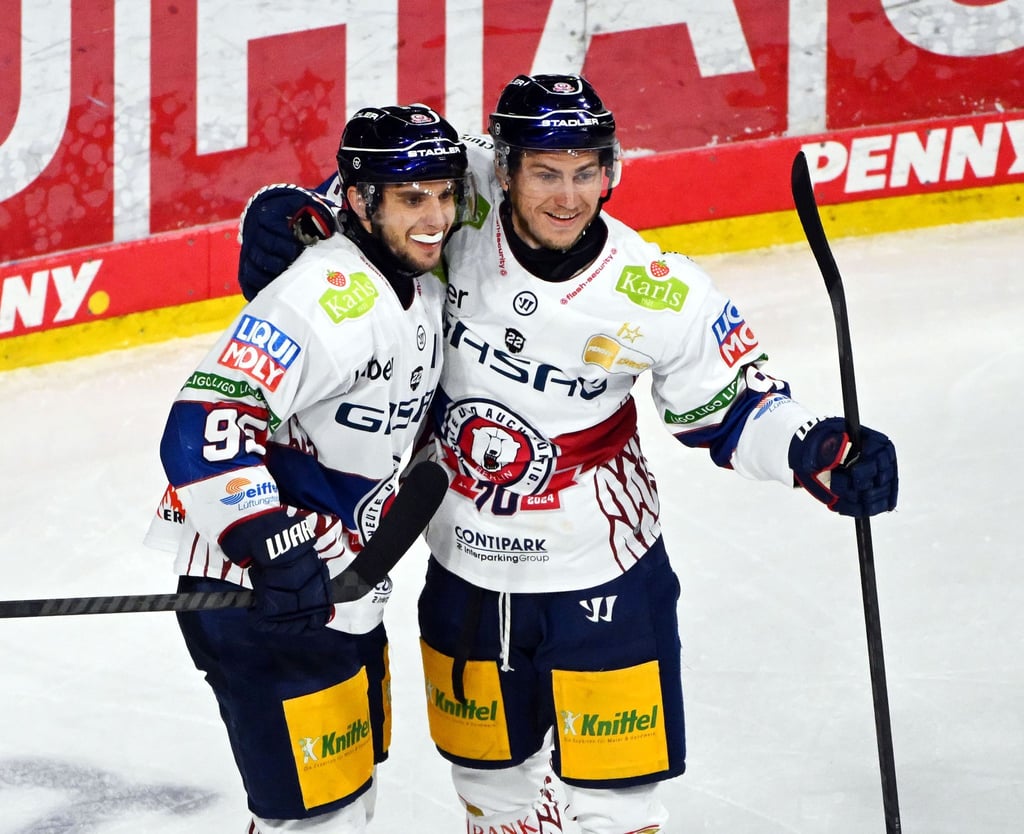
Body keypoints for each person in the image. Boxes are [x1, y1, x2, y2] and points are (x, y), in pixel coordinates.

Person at [236, 74, 898, 834]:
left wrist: (819, 449)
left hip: (604, 569)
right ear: (507, 168)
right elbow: (368, 190)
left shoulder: (660, 294)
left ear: (611, 172)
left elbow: (741, 406)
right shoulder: (464, 195)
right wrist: (295, 215)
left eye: (587, 172)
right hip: (467, 573)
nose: (568, 196)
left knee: (618, 809)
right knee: (492, 796)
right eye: (546, 173)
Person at [153, 104, 474, 834]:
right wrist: (267, 540)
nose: (436, 216)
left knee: (345, 806)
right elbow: (204, 423)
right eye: (412, 198)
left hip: (342, 585)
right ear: (361, 202)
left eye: (445, 194)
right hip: (262, 593)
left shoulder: (414, 272)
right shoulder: (324, 299)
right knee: (316, 822)